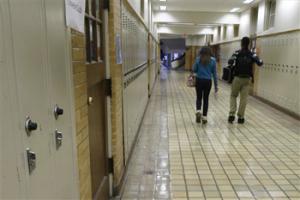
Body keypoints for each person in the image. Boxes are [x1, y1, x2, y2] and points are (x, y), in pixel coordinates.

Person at [228, 37, 263, 124]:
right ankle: (241, 117)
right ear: (249, 44)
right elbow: (260, 62)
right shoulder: (252, 54)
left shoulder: (237, 52)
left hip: (237, 78)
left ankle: (232, 114)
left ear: (241, 43)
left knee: (233, 96)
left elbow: (230, 61)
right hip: (247, 79)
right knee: (243, 99)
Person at [193, 47, 218, 124]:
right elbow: (214, 74)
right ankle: (204, 117)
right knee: (206, 99)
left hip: (199, 80)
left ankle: (198, 111)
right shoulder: (213, 60)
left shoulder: (198, 59)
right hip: (208, 81)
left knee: (199, 97)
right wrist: (216, 86)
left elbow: (194, 69)